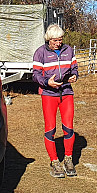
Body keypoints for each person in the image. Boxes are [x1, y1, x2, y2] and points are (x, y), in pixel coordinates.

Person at [32, 24, 79, 178]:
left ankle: (68, 158)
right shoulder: (40, 52)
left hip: (66, 93)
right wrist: (47, 82)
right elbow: (35, 75)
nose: (58, 43)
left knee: (68, 128)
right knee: (50, 129)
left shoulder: (68, 50)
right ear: (48, 40)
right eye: (55, 41)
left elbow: (74, 68)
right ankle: (54, 162)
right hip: (48, 94)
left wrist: (74, 76)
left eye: (60, 40)